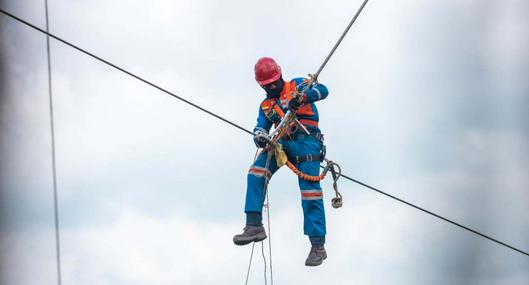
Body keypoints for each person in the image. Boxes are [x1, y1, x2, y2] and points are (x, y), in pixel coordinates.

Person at [233, 57, 330, 266]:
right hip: (281, 144)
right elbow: (260, 127)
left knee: (310, 192)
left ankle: (317, 246)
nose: (272, 87)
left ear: (280, 75)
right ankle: (253, 225)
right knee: (255, 172)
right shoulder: (267, 105)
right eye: (267, 86)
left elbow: (323, 90)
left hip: (307, 141)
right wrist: (259, 136)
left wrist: (304, 97)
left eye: (274, 83)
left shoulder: (297, 85)